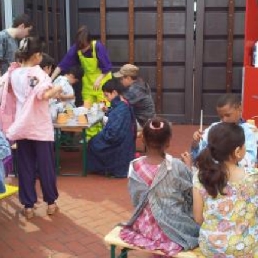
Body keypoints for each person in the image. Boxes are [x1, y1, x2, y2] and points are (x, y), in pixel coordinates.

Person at [120, 117, 199, 257]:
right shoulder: (177, 166)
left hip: (144, 227)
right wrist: (189, 168)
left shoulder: (135, 166)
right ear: (168, 141)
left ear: (143, 139)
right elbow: (192, 193)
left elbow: (135, 199)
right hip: (173, 229)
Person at [5, 36, 62, 219]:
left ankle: (28, 206)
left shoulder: (13, 74)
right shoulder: (36, 73)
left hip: (22, 125)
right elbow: (42, 95)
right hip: (39, 126)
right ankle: (51, 203)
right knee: (45, 166)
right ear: (37, 55)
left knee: (25, 166)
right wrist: (57, 89)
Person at [193, 122, 258, 256]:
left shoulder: (201, 177)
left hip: (211, 248)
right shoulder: (254, 177)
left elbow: (198, 218)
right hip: (246, 248)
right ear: (237, 152)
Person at [51, 25, 112, 139]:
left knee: (103, 110)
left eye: (84, 47)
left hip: (103, 84)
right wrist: (50, 79)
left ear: (90, 41)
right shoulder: (76, 48)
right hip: (88, 84)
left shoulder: (97, 46)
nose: (82, 50)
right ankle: (90, 140)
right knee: (87, 111)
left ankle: (104, 138)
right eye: (80, 48)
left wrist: (99, 79)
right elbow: (62, 65)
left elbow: (107, 67)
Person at [191, 93, 257, 167]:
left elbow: (250, 158)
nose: (224, 120)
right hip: (213, 172)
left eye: (228, 115)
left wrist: (227, 164)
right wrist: (196, 143)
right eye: (221, 116)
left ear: (240, 108)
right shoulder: (213, 128)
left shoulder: (249, 131)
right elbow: (199, 156)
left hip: (237, 174)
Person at [87, 79, 136, 178]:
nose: (107, 98)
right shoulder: (123, 104)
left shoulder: (121, 109)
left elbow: (113, 135)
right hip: (125, 142)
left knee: (93, 142)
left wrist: (101, 135)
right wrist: (109, 111)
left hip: (119, 144)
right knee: (95, 140)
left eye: (107, 95)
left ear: (114, 92)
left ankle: (103, 168)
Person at [113, 63, 155, 129]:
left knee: (111, 122)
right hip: (144, 119)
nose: (120, 81)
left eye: (121, 78)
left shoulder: (135, 90)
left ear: (128, 78)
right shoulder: (140, 83)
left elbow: (118, 104)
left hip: (142, 122)